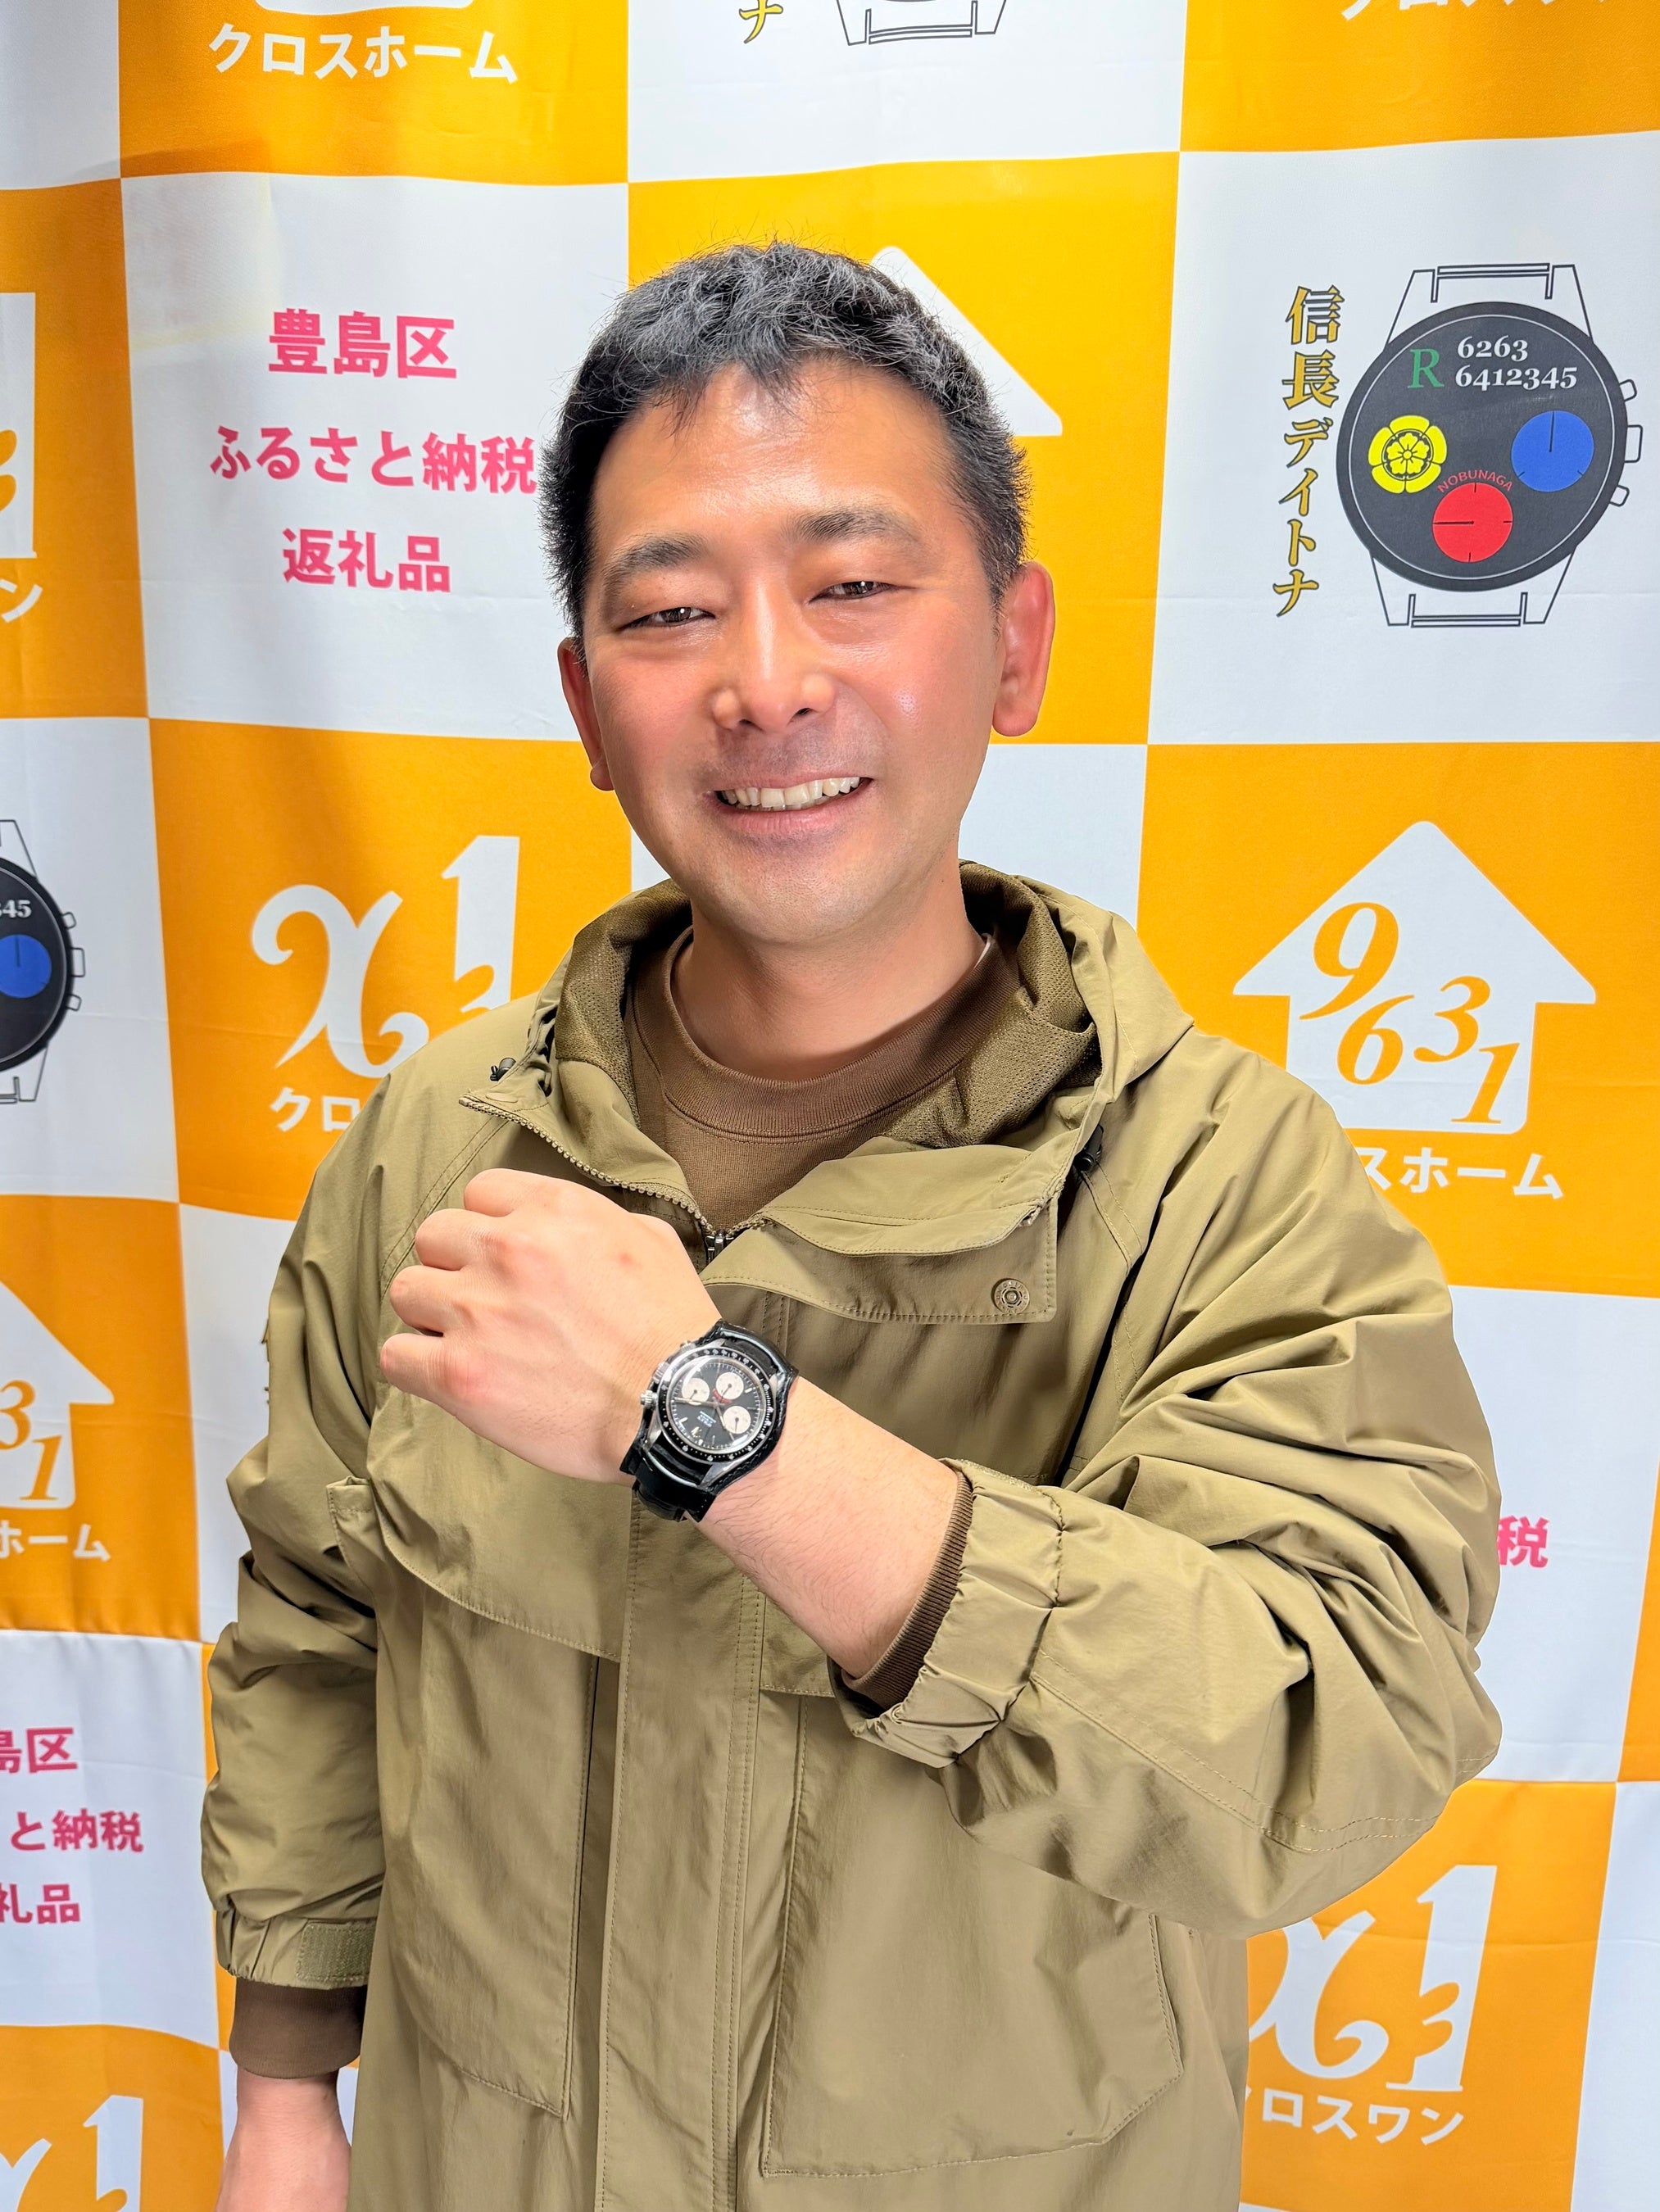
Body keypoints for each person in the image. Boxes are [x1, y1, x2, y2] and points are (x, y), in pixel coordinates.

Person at [206, 243, 1500, 2212]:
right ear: (584, 702)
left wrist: (706, 1420)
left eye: (853, 585)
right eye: (668, 611)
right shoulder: (440, 1140)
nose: (765, 680)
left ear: (1012, 646)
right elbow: (320, 1616)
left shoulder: (1218, 1182)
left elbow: (1320, 1745)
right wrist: (289, 2092)